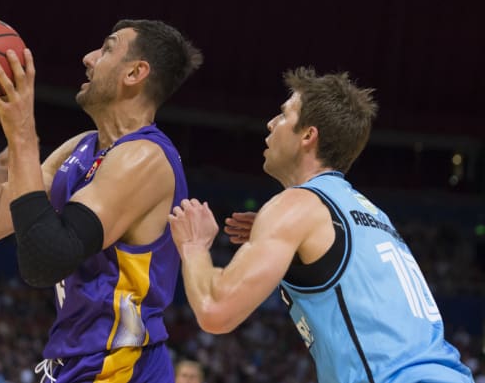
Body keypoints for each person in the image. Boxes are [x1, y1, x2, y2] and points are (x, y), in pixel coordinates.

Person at [168, 67, 475, 382]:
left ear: (307, 135)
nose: (271, 124)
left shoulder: (297, 205)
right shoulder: (370, 213)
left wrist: (194, 245)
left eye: (283, 115)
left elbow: (215, 310)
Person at [0, 19, 203, 382]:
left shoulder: (145, 158)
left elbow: (45, 260)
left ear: (135, 72)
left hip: (121, 366)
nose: (88, 58)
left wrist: (23, 131)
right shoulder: (81, 147)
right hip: (77, 363)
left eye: (106, 48)